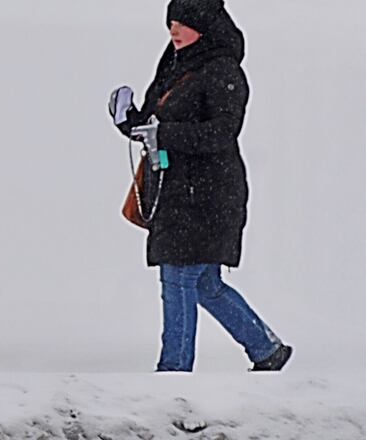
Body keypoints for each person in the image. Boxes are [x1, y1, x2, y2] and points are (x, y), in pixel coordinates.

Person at [107, 0, 292, 372]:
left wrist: (165, 133)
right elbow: (154, 122)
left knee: (176, 277)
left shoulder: (223, 70)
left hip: (208, 194)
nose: (174, 30)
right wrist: (128, 119)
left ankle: (173, 373)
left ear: (205, 26)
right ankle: (266, 350)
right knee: (204, 283)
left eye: (183, 23)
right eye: (171, 22)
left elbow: (222, 132)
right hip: (175, 191)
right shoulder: (175, 65)